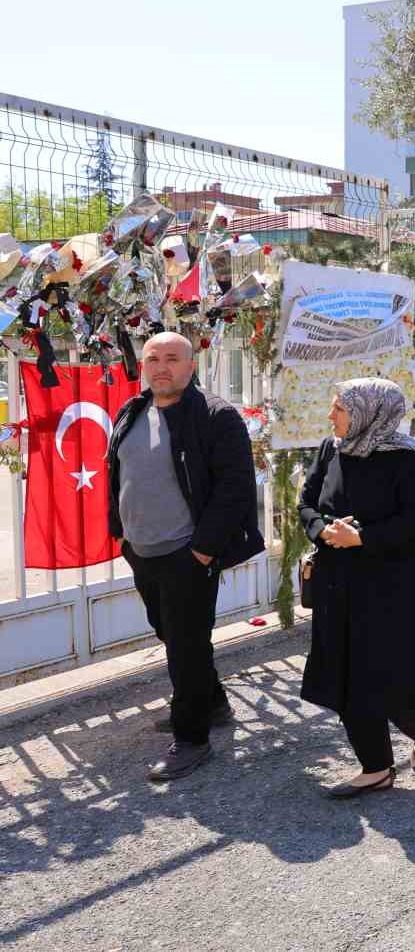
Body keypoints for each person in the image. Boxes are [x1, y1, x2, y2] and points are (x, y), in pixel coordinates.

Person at [107, 331, 264, 782]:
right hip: (142, 550)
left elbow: (235, 490)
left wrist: (201, 551)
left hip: (186, 554)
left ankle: (191, 738)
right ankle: (212, 703)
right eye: (152, 358)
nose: (160, 367)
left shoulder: (215, 416)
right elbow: (123, 475)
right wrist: (123, 536)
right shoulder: (132, 411)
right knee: (171, 633)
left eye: (172, 358)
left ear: (191, 366)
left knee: (187, 646)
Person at [299, 378, 415, 799]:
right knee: (346, 674)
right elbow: (307, 500)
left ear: (369, 413)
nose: (331, 416)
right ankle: (375, 768)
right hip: (336, 580)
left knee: (388, 671)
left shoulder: (406, 458)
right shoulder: (332, 448)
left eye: (339, 409)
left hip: (390, 584)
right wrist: (323, 530)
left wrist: (362, 537)